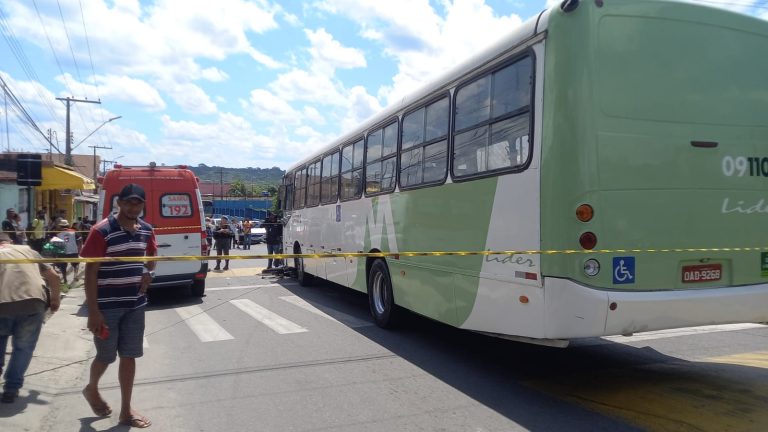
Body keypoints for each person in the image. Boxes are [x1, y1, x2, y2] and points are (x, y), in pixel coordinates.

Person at [79, 183, 156, 428]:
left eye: (138, 202)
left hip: (135, 304)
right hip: (107, 306)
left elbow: (151, 261)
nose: (134, 206)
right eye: (129, 202)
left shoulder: (146, 229)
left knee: (129, 356)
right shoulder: (101, 230)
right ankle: (92, 388)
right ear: (119, 203)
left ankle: (125, 411)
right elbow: (90, 272)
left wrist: (147, 272)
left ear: (143, 205)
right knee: (105, 356)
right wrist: (93, 311)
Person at [0, 232, 61, 403]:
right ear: (10, 241)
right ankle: (11, 389)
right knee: (23, 348)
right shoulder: (27, 250)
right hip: (33, 303)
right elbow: (54, 277)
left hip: (1, 304)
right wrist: (55, 299)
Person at [54, 220, 83, 284]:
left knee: (63, 266)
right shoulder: (74, 232)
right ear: (68, 225)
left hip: (63, 252)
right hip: (73, 251)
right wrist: (79, 249)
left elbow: (56, 244)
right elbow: (80, 241)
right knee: (76, 264)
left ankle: (65, 279)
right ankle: (75, 276)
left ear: (60, 226)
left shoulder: (58, 234)